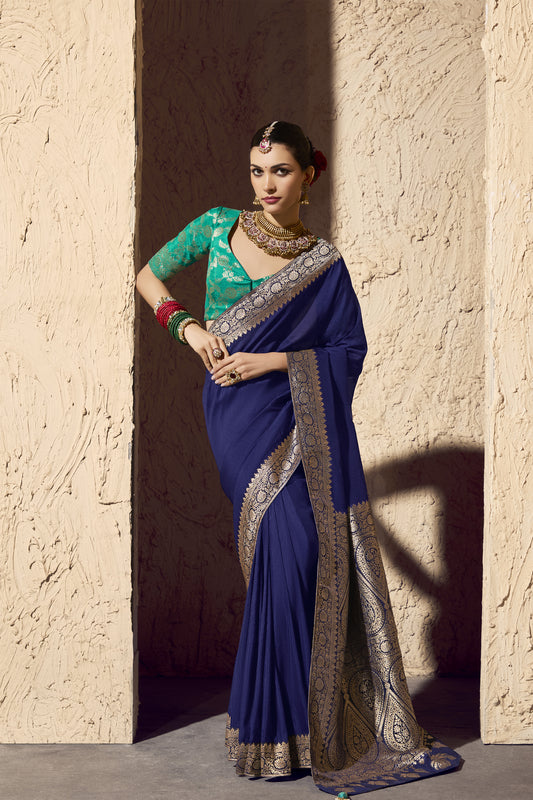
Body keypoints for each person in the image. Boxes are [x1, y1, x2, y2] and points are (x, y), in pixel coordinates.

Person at [136, 121, 460, 796]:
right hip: (235, 414)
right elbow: (149, 273)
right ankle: (272, 729)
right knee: (277, 546)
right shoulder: (217, 227)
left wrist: (273, 359)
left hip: (289, 401)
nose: (265, 186)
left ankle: (292, 728)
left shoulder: (323, 264)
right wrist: (188, 326)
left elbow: (347, 351)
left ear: (308, 176)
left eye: (279, 172)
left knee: (301, 555)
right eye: (257, 172)